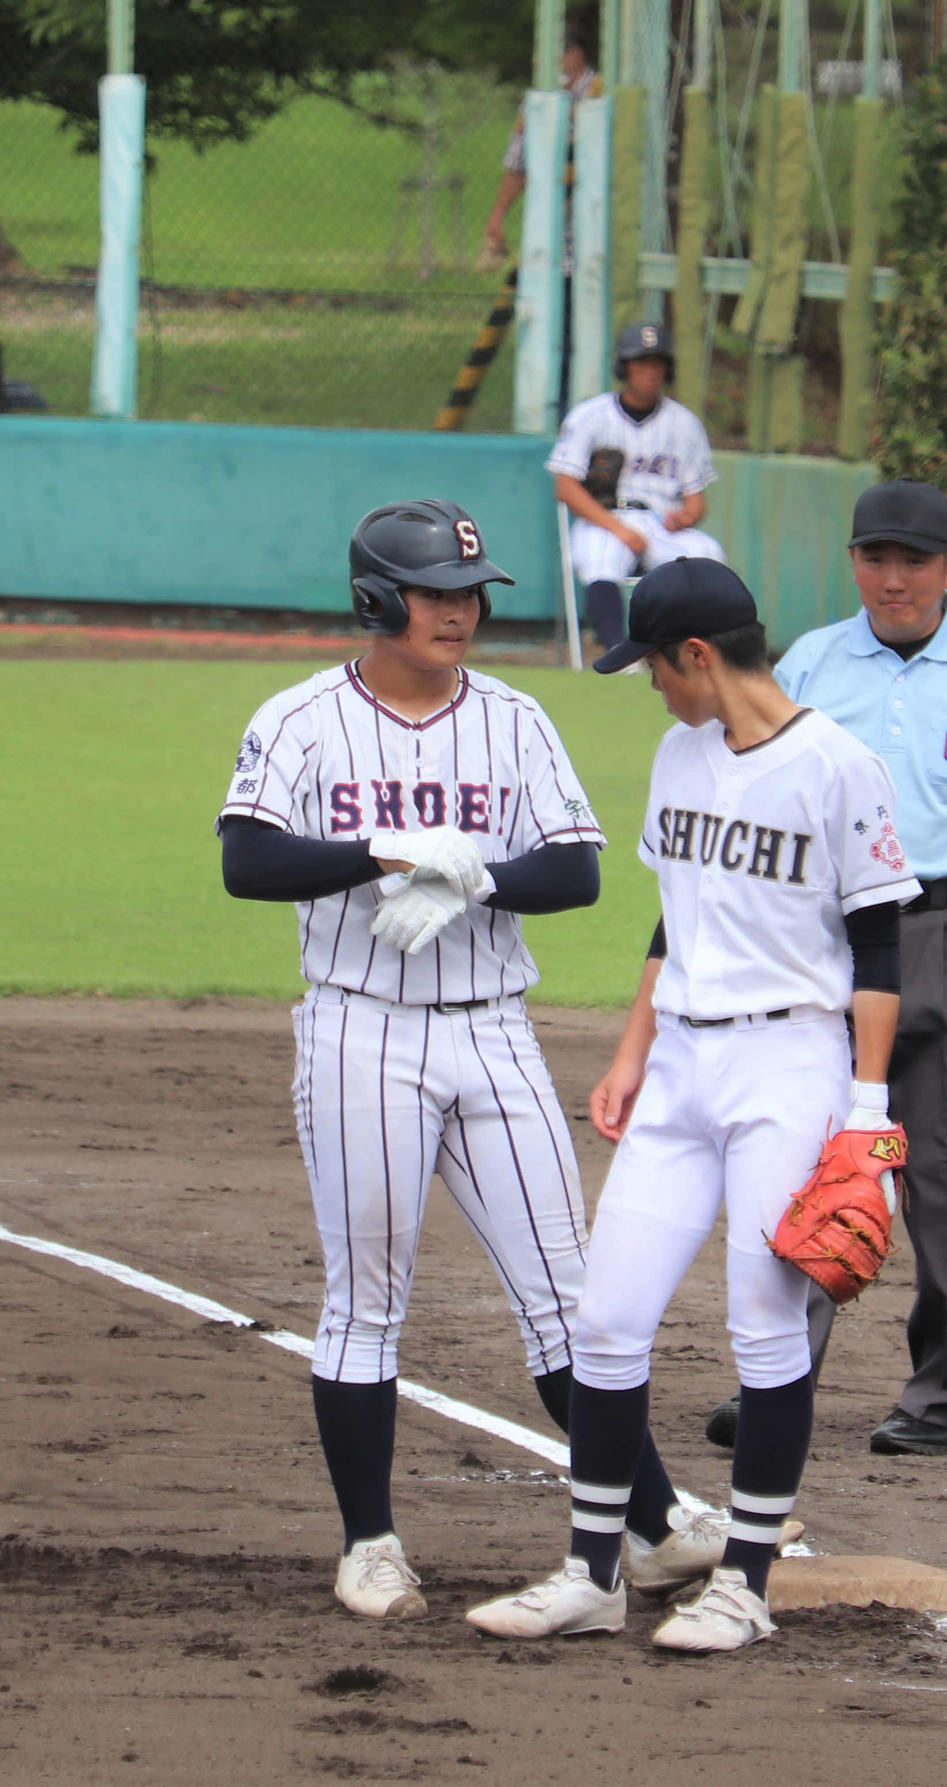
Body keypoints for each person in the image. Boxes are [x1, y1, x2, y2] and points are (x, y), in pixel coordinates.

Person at [218, 498, 725, 1621]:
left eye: (469, 594)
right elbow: (246, 860)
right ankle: (371, 1542)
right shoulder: (300, 721)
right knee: (367, 1302)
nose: (458, 612)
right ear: (373, 599)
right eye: (435, 593)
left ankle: (648, 1528)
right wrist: (382, 853)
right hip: (361, 1027)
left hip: (495, 1029)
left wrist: (475, 876)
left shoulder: (513, 719)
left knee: (573, 1300)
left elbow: (579, 871)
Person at [464, 556, 920, 1653]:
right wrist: (630, 1053)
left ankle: (746, 1584)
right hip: (681, 1067)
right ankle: (593, 1572)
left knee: (764, 1325)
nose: (649, 685)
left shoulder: (837, 765)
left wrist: (866, 1108)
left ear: (699, 655)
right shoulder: (680, 754)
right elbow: (674, 923)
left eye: (652, 666)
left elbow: (878, 944)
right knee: (606, 1318)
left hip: (791, 1068)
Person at [702, 479, 947, 1457]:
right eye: (875, 557)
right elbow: (755, 799)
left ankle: (940, 1397)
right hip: (826, 941)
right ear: (853, 563)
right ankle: (776, 1380)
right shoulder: (810, 664)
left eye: (913, 560)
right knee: (804, 1158)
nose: (893, 578)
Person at [548, 320, 727, 657]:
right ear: (624, 367)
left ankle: (690, 652)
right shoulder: (590, 416)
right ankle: (618, 651)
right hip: (605, 518)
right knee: (601, 558)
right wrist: (618, 528)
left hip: (659, 522)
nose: (649, 371)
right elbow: (566, 488)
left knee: (708, 555)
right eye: (641, 362)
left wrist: (687, 517)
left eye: (656, 363)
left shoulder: (684, 424)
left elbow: (696, 501)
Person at [476, 29, 601, 274]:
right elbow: (517, 164)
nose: (542, 66)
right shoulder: (538, 102)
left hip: (595, 228)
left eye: (550, 58)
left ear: (574, 56)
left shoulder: (601, 94)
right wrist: (497, 217)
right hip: (552, 230)